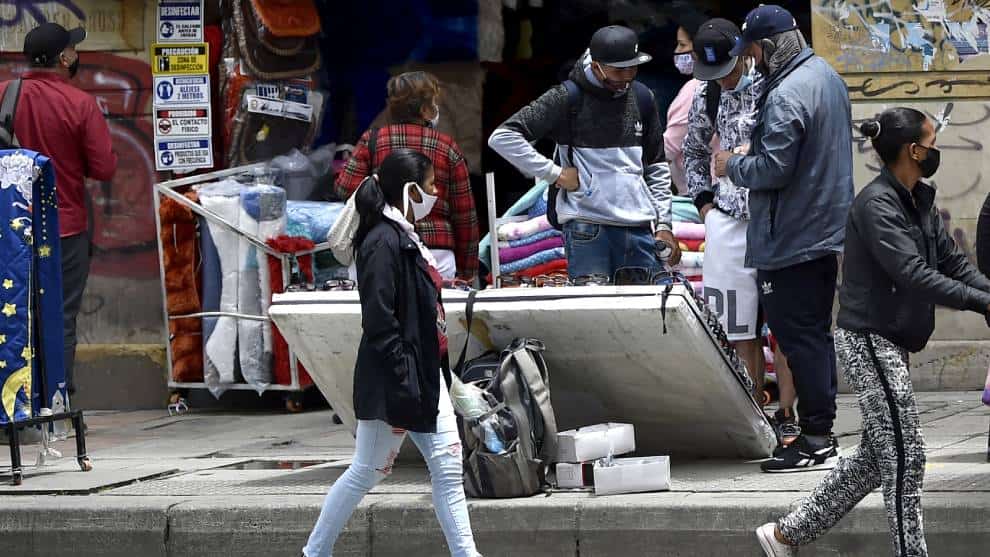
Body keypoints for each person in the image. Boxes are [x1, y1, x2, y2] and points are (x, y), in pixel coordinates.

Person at [757, 108, 990, 557]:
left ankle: (785, 534)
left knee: (874, 459)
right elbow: (913, 273)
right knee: (906, 455)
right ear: (914, 150)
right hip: (868, 342)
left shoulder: (917, 197)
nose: (936, 147)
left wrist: (987, 293)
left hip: (892, 342)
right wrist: (982, 301)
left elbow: (953, 263)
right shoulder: (876, 205)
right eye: (932, 140)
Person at [303, 149, 480, 557]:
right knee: (368, 470)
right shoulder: (382, 240)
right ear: (410, 190)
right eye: (432, 186)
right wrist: (405, 378)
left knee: (447, 468)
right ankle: (314, 552)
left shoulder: (402, 235)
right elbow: (380, 320)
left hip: (420, 374)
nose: (437, 193)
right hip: (399, 377)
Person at [713, 5, 853, 472]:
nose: (753, 61)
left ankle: (815, 438)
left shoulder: (787, 93)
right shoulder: (826, 76)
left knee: (799, 338)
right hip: (819, 229)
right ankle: (821, 433)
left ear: (769, 46)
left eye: (754, 52)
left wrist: (731, 163)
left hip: (791, 235)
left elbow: (774, 169)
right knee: (813, 335)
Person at [489, 25, 681, 282]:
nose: (626, 77)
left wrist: (664, 225)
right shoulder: (567, 97)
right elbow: (503, 137)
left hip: (638, 227)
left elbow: (656, 167)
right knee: (597, 312)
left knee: (656, 306)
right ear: (598, 65)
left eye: (632, 68)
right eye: (618, 70)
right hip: (587, 227)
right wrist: (554, 174)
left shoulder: (643, 97)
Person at [0, 23, 117, 397]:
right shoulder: (79, 104)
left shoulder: (4, 94)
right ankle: (54, 405)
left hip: (10, 228)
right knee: (60, 318)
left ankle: (14, 405)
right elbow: (104, 168)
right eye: (73, 49)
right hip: (62, 231)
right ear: (64, 58)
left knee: (13, 315)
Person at [682, 18, 769, 399]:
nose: (723, 80)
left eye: (728, 70)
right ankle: (753, 411)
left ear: (744, 53)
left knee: (785, 327)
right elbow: (694, 150)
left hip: (775, 219)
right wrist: (703, 204)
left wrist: (741, 155)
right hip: (728, 221)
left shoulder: (774, 86)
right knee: (736, 327)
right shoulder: (706, 94)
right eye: (713, 73)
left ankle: (789, 413)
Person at [335, 71, 479, 282]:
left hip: (382, 248)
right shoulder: (447, 147)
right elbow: (465, 215)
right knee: (433, 314)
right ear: (424, 109)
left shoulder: (372, 141)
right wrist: (467, 271)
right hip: (437, 254)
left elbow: (344, 188)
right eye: (434, 103)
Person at [663, 8, 709, 194]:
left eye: (682, 45)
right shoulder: (730, 79)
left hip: (698, 194)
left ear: (698, 49)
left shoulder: (694, 88)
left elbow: (668, 148)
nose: (677, 51)